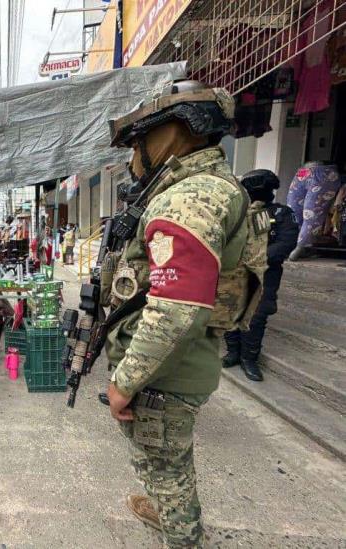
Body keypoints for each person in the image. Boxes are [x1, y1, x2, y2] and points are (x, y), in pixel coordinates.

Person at [104, 81, 267, 548]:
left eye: (139, 142)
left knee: (166, 466)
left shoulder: (188, 199)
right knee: (166, 458)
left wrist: (125, 382)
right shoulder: (206, 188)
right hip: (178, 365)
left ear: (173, 134)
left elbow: (176, 311)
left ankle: (180, 529)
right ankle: (167, 506)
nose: (135, 156)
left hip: (165, 375)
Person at [223, 169, 298, 381]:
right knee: (231, 313)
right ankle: (233, 353)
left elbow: (285, 244)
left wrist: (254, 260)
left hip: (265, 274)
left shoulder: (280, 213)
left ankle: (249, 359)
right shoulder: (239, 214)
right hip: (235, 274)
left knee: (255, 316)